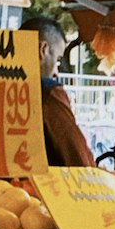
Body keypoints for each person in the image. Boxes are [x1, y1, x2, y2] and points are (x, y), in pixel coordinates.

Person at [20, 15, 95, 167]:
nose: (56, 72)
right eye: (58, 59)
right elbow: (78, 158)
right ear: (42, 50)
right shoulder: (49, 93)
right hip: (36, 188)